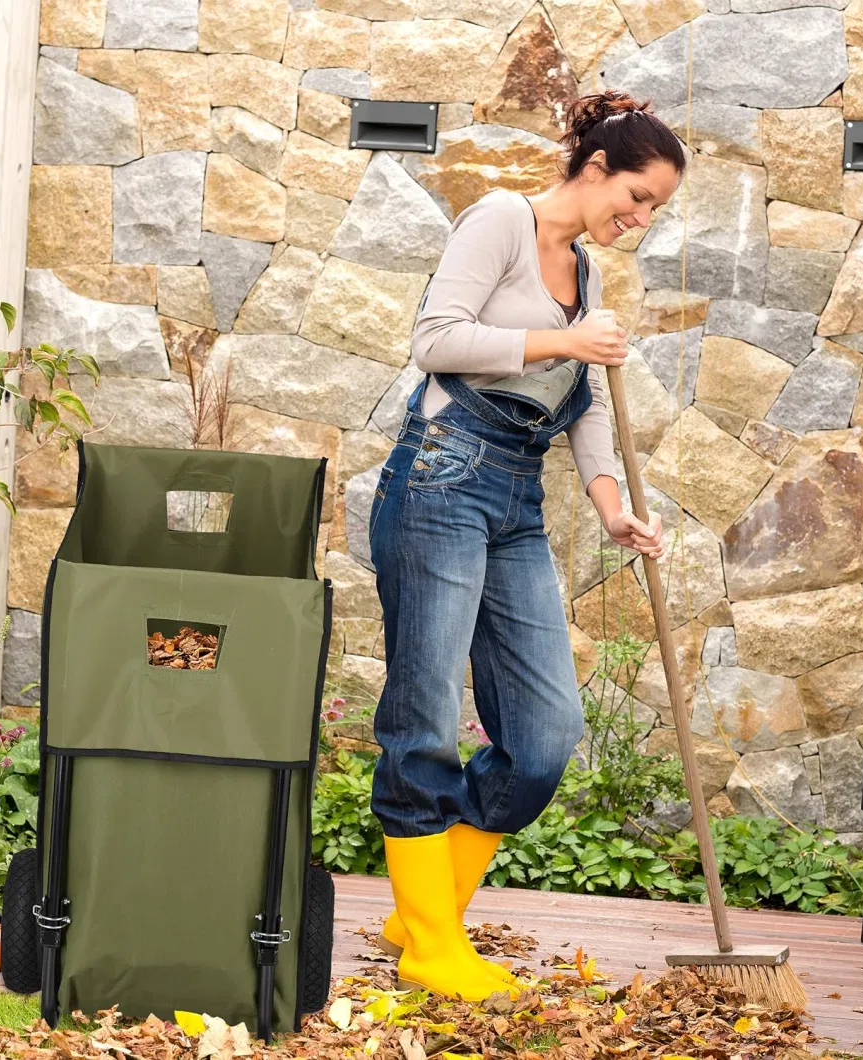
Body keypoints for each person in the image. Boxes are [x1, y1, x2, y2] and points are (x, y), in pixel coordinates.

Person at [367, 88, 683, 1001]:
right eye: (639, 195)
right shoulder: (502, 219)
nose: (642, 217)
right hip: (440, 474)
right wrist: (565, 337)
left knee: (545, 738)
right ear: (596, 170)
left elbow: (581, 409)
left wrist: (614, 504)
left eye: (656, 207)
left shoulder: (585, 274)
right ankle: (431, 943)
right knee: (423, 715)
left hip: (515, 492)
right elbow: (437, 340)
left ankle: (420, 913)